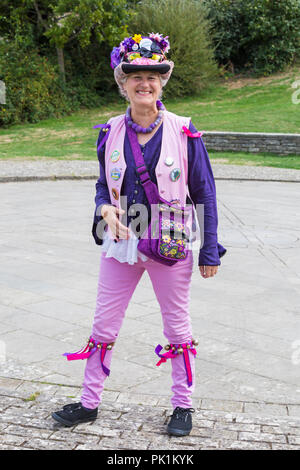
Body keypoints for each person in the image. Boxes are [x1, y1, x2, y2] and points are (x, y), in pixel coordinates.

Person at [52, 32, 226, 437]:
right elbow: (101, 185)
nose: (144, 83)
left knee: (177, 328)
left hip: (170, 243)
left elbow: (205, 191)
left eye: (152, 75)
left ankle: (182, 406)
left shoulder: (185, 131)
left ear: (163, 80)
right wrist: (103, 207)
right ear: (122, 82)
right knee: (103, 324)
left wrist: (210, 250)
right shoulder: (109, 131)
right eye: (135, 75)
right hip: (121, 242)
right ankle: (89, 402)